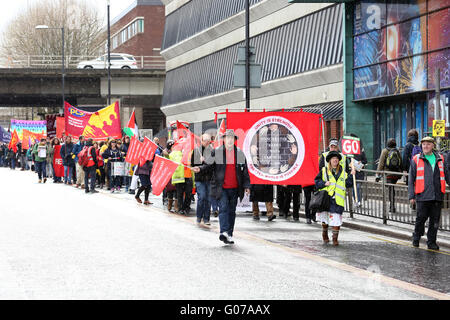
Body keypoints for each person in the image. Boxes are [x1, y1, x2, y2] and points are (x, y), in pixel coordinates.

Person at [193, 129, 251, 245]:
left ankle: (229, 234)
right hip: (221, 187)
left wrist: (247, 186)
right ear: (223, 139)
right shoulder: (218, 152)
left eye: (231, 138)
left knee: (231, 211)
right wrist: (200, 169)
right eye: (227, 138)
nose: (229, 140)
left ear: (234, 140)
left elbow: (244, 171)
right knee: (223, 208)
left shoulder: (239, 153)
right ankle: (223, 231)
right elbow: (208, 165)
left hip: (235, 188)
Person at [409, 136, 450, 251]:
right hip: (422, 195)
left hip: (437, 195)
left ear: (433, 145)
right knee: (420, 219)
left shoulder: (441, 158)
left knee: (435, 221)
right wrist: (411, 196)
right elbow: (411, 179)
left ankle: (431, 241)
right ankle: (416, 237)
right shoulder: (416, 159)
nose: (425, 146)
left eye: (428, 144)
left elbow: (447, 175)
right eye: (423, 144)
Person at [315, 151, 353, 246]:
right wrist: (324, 183)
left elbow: (349, 184)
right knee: (325, 219)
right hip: (326, 199)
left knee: (336, 220)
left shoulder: (343, 173)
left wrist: (352, 175)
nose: (335, 160)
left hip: (338, 201)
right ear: (330, 161)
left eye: (336, 159)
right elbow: (316, 182)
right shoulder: (324, 171)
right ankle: (325, 233)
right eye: (333, 159)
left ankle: (335, 238)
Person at [191, 133, 213, 225]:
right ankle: (199, 216)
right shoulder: (196, 151)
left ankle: (206, 218)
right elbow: (193, 165)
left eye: (209, 141)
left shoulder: (212, 151)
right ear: (202, 141)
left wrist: (205, 161)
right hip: (200, 179)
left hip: (209, 178)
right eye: (206, 141)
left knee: (208, 199)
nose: (207, 142)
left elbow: (212, 165)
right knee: (202, 197)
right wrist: (198, 161)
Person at [376, 138, 402, 213]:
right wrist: (401, 173)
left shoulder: (385, 151)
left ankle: (392, 206)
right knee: (392, 188)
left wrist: (378, 174)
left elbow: (381, 163)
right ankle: (392, 205)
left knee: (390, 189)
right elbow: (401, 162)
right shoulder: (397, 151)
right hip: (396, 174)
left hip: (387, 174)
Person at [170, 141, 195, 215]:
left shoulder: (191, 152)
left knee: (188, 194)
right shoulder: (175, 153)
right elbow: (169, 159)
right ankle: (180, 208)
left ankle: (186, 207)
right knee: (180, 194)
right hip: (179, 177)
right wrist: (166, 155)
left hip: (189, 175)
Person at [350, 133, 368, 207]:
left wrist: (361, 162)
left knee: (357, 187)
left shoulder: (361, 150)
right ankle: (355, 200)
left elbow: (365, 160)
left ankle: (359, 201)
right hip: (352, 172)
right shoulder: (348, 150)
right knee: (353, 187)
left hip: (359, 172)